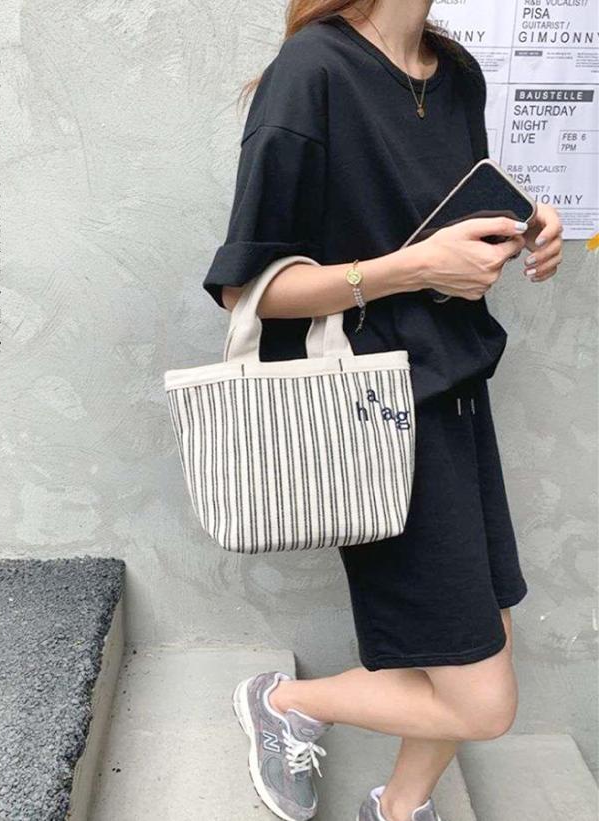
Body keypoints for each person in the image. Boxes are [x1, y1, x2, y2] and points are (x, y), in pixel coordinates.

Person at [203, 2, 563, 820]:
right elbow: (249, 289)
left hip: (458, 391)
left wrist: (523, 228)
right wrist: (411, 269)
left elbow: (446, 226)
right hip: (376, 415)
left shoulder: (457, 74)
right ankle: (287, 702)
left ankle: (397, 808)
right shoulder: (313, 72)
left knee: (478, 639)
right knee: (484, 700)